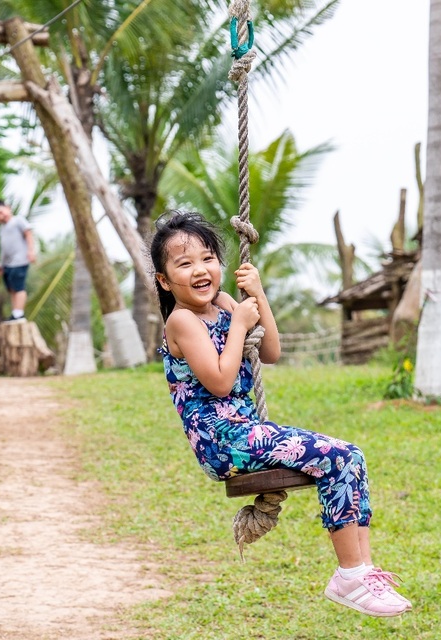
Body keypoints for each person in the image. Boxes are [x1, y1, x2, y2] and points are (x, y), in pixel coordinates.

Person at [151, 211, 412, 618]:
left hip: (246, 431)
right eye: (184, 264)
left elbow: (270, 352)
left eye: (207, 258)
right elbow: (219, 382)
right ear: (164, 281)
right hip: (222, 441)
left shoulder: (222, 302)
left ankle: (362, 572)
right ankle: (348, 576)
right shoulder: (181, 321)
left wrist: (258, 297)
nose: (200, 270)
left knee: (352, 455)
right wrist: (239, 323)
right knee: (336, 459)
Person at [0, 198, 36, 321]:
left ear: (7, 207)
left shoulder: (18, 220)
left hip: (20, 261)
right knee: (12, 288)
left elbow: (29, 234)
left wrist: (31, 251)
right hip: (8, 265)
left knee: (19, 287)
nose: (0, 216)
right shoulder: (2, 228)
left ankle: (19, 314)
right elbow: (4, 248)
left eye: (0, 212)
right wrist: (1, 264)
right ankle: (15, 313)